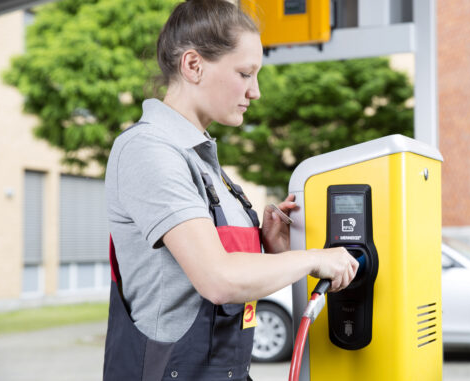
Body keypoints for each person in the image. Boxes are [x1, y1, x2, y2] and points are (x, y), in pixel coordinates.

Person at [102, 1, 358, 380]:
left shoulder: (205, 163)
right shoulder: (149, 150)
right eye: (244, 73)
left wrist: (265, 244)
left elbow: (222, 267)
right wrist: (314, 258)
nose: (255, 92)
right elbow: (218, 279)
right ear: (193, 65)